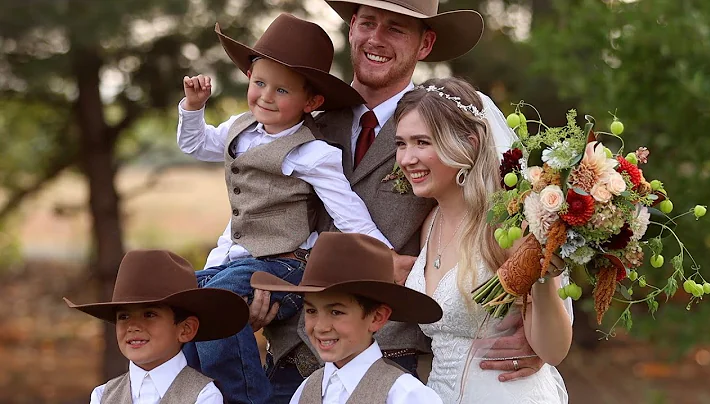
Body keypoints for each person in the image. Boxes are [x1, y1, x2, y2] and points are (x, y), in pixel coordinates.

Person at [248, 2, 561, 402]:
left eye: (396, 28)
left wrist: (529, 334)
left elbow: (531, 226)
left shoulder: (451, 125)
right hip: (292, 361)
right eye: (367, 23)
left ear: (425, 43)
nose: (375, 38)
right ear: (351, 29)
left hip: (390, 364)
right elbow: (256, 215)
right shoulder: (302, 119)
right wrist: (256, 285)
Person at [177, 13, 396, 403]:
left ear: (310, 101)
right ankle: (199, 393)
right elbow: (195, 145)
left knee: (219, 304)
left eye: (281, 91)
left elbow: (347, 210)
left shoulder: (311, 151)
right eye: (259, 83)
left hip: (284, 263)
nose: (265, 96)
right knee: (180, 300)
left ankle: (245, 398)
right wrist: (193, 108)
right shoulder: (238, 128)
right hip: (232, 258)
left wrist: (385, 258)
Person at [396, 77, 572, 403]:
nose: (407, 159)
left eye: (422, 142)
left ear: (471, 142)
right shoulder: (430, 223)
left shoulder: (511, 224)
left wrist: (544, 273)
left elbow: (554, 350)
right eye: (401, 144)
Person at [250, 232, 445, 404]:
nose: (321, 327)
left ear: (377, 317)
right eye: (311, 311)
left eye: (336, 312)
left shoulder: (405, 395)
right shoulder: (306, 390)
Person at [63, 249, 250, 404]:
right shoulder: (102, 396)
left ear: (185, 329)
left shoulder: (204, 396)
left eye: (149, 314)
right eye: (124, 316)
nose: (133, 326)